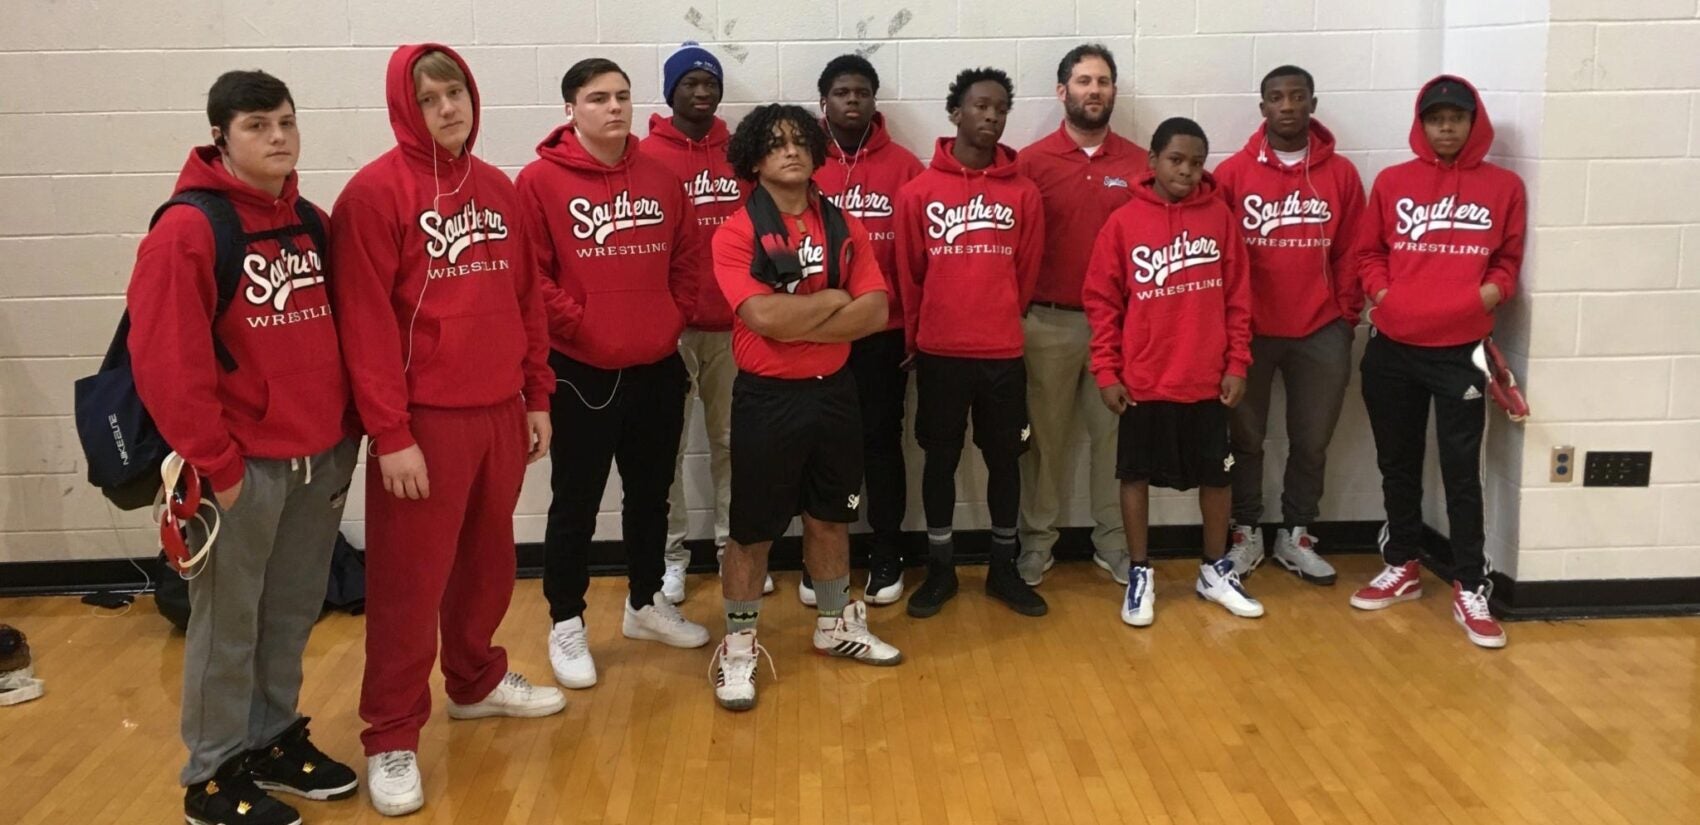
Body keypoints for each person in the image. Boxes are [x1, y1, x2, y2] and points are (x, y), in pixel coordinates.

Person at [331, 44, 564, 818]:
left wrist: (537, 395)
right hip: (423, 424)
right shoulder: (372, 196)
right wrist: (389, 433)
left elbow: (528, 299)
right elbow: (364, 326)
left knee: (488, 562)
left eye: (455, 91)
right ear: (405, 106)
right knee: (407, 583)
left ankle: (475, 679)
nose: (448, 108)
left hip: (500, 408)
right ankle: (391, 734)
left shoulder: (499, 189)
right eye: (428, 98)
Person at [128, 69, 359, 825]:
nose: (279, 137)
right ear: (221, 135)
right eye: (259, 125)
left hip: (315, 459)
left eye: (288, 121)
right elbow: (167, 363)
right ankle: (212, 772)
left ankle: (269, 740)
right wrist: (218, 464)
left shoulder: (312, 222)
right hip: (239, 472)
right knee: (227, 626)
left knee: (290, 615)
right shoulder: (190, 229)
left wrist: (343, 437)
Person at [519, 57, 713, 691]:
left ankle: (644, 602)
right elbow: (533, 278)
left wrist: (672, 315)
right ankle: (566, 620)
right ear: (571, 108)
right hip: (582, 370)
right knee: (575, 500)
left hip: (657, 363)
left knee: (651, 495)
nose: (614, 107)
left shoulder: (661, 177)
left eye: (623, 96)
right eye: (598, 98)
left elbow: (687, 258)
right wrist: (582, 324)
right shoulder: (539, 182)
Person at [708, 104, 903, 711]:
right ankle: (738, 645)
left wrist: (803, 319)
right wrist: (837, 300)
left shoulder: (843, 224)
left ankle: (835, 626)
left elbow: (876, 311)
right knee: (752, 531)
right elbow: (761, 317)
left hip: (835, 395)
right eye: (775, 143)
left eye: (800, 141)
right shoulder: (737, 230)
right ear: (754, 159)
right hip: (768, 399)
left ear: (817, 150)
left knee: (831, 516)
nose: (791, 151)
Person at [1348, 75, 1525, 650]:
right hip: (1394, 349)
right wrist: (1383, 296)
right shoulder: (1395, 182)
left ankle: (1470, 583)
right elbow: (1369, 251)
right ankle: (1402, 563)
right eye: (1435, 118)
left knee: (1460, 472)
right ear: (1421, 124)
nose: (1446, 127)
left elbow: (1508, 259)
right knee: (1397, 464)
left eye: (1456, 117)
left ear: (1475, 122)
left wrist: (1488, 295)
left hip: (1461, 353)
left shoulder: (1505, 186)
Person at [1082, 117, 1260, 628]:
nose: (1186, 171)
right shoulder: (1123, 223)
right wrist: (1107, 370)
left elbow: (1238, 299)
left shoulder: (1220, 218)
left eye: (1196, 162)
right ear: (1153, 161)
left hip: (1206, 378)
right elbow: (1101, 303)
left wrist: (1237, 362)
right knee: (1135, 476)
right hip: (1143, 379)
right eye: (1176, 160)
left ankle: (1213, 570)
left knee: (1216, 478)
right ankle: (1140, 571)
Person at [895, 67, 1046, 619]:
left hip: (1002, 353)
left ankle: (1004, 570)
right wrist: (916, 338)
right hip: (940, 352)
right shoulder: (917, 192)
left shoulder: (1024, 194)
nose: (991, 116)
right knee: (939, 460)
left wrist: (1001, 315)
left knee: (1006, 461)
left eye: (1001, 108)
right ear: (955, 112)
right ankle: (941, 570)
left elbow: (1025, 275)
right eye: (980, 106)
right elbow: (911, 274)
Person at [1215, 65, 1366, 585]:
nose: (1286, 106)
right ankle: (1246, 532)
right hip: (1251, 330)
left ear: (1312, 104)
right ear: (1262, 109)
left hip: (1321, 328)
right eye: (1275, 98)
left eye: (1296, 96)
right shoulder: (1234, 173)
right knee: (1245, 439)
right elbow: (1221, 256)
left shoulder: (1341, 174)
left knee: (1312, 440)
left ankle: (1297, 533)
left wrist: (1345, 316)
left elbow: (1354, 250)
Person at [1016, 44, 1148, 588]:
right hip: (1046, 323)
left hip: (1117, 328)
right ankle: (1036, 545)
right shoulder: (1030, 162)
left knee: (1115, 442)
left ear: (1113, 91)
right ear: (1061, 91)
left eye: (1103, 81)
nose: (1094, 90)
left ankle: (1113, 544)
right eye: (1083, 81)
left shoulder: (1141, 164)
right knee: (1043, 443)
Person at [643, 42, 763, 603]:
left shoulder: (742, 152)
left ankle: (731, 551)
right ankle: (670, 557)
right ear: (671, 92)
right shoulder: (646, 156)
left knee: (733, 444)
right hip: (668, 331)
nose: (701, 90)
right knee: (662, 447)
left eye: (709, 82)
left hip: (734, 325)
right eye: (689, 82)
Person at [811, 53, 924, 607]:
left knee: (881, 444)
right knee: (825, 446)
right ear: (824, 101)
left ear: (874, 100)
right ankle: (824, 557)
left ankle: (886, 549)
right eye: (841, 92)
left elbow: (922, 255)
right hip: (819, 333)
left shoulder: (904, 166)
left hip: (883, 331)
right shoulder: (801, 162)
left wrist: (914, 328)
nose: (852, 100)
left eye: (861, 91)